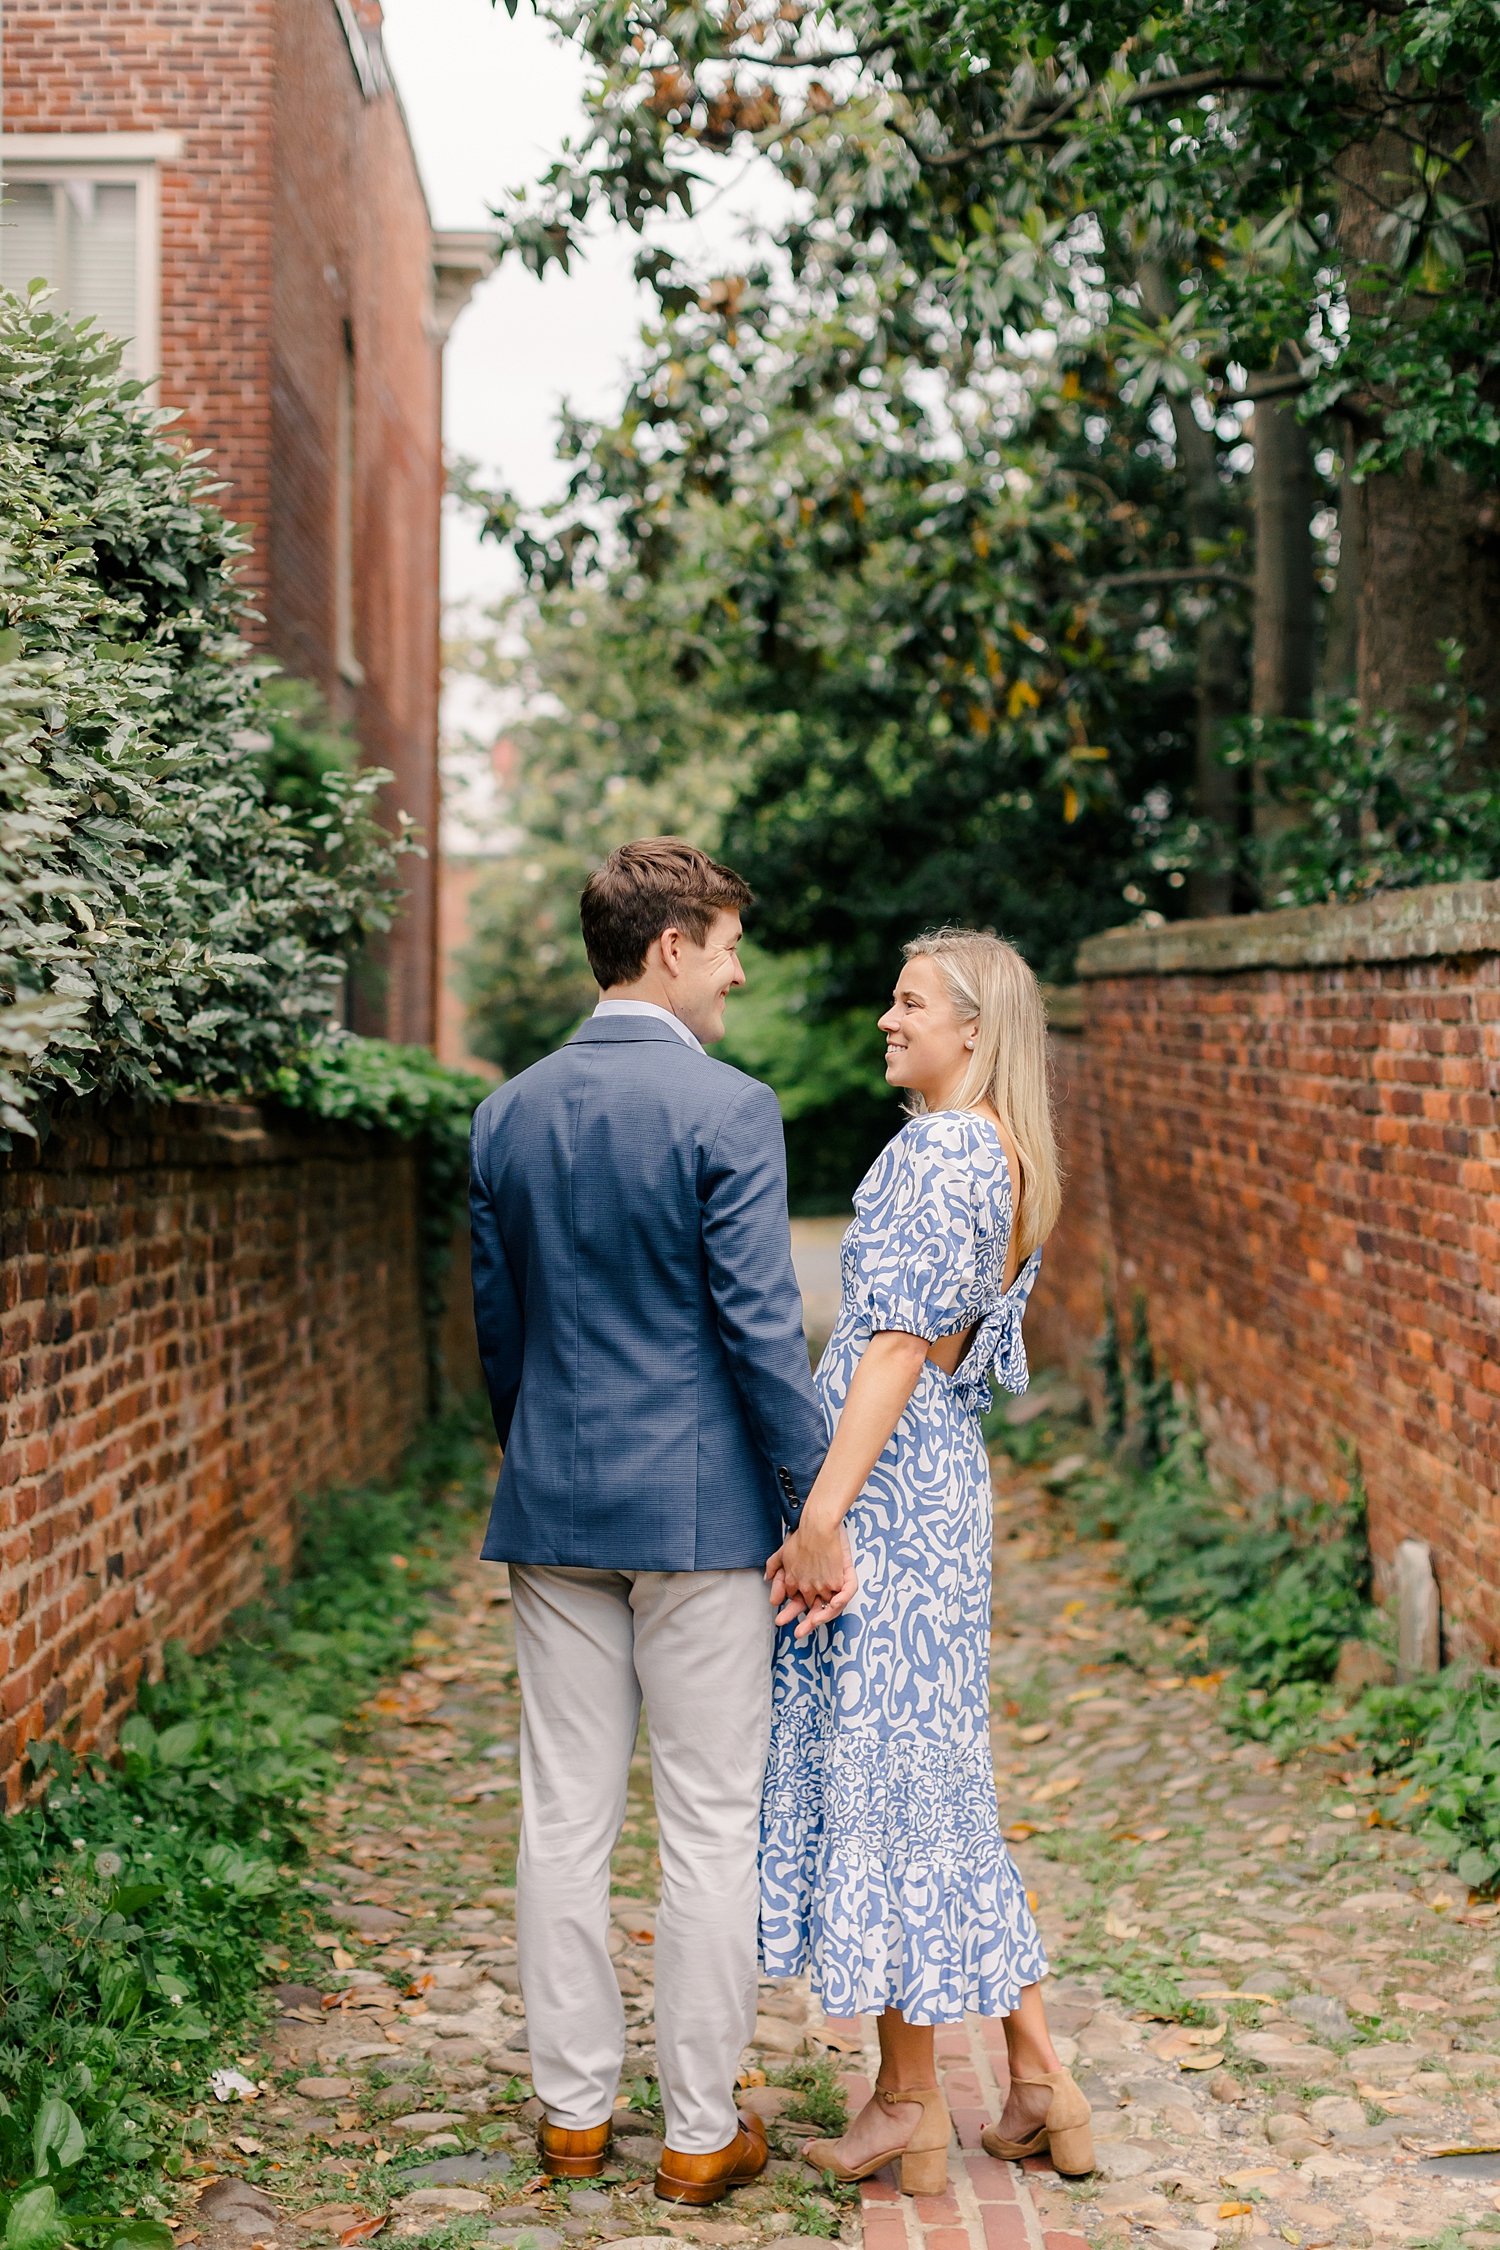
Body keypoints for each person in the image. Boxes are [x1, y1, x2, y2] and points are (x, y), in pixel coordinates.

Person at [469, 838, 851, 2207]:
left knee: (562, 1813)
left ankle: (573, 2116)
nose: (741, 968)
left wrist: (540, 1455)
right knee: (706, 1819)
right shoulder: (729, 1109)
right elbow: (760, 1334)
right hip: (699, 1516)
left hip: (555, 1501)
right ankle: (698, 2128)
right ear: (671, 945)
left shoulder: (505, 1112)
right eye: (730, 942)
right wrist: (817, 1504)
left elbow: (499, 1332)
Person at [759, 926, 1094, 2192]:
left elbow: (893, 1349)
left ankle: (909, 2106)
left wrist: (822, 1515)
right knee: (933, 1786)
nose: (889, 1022)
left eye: (910, 1005)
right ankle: (1038, 2083)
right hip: (938, 1490)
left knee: (892, 1789)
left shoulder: (937, 1151)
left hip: (888, 1497)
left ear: (972, 1028)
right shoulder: (1004, 1157)